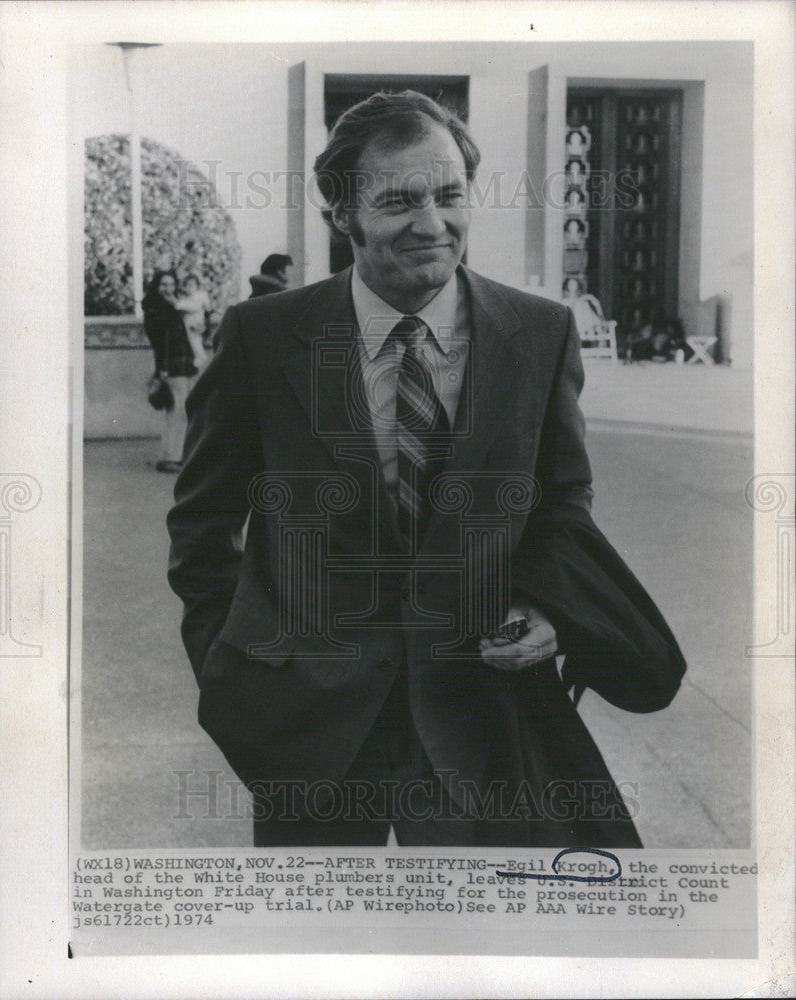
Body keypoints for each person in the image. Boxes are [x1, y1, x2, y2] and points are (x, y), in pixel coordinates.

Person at [168, 90, 686, 847]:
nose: (431, 223)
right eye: (397, 201)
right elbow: (202, 523)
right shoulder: (263, 337)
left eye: (448, 196)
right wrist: (231, 676)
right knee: (325, 952)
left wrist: (549, 611)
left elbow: (562, 501)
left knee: (493, 950)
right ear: (341, 211)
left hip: (481, 711)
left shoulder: (538, 334)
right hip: (308, 726)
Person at [142, 270, 197, 473]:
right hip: (172, 364)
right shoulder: (159, 310)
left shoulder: (164, 307)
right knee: (180, 410)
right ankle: (173, 457)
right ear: (157, 287)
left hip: (176, 363)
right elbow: (162, 342)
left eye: (171, 285)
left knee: (174, 410)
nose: (168, 289)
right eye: (164, 285)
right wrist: (162, 369)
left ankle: (168, 455)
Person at [175, 273, 211, 370]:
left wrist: (181, 305)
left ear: (197, 286)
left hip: (196, 322)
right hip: (189, 321)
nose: (189, 288)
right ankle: (197, 357)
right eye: (187, 285)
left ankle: (202, 357)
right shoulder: (188, 297)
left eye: (192, 285)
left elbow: (194, 307)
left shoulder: (199, 296)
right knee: (192, 341)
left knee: (196, 340)